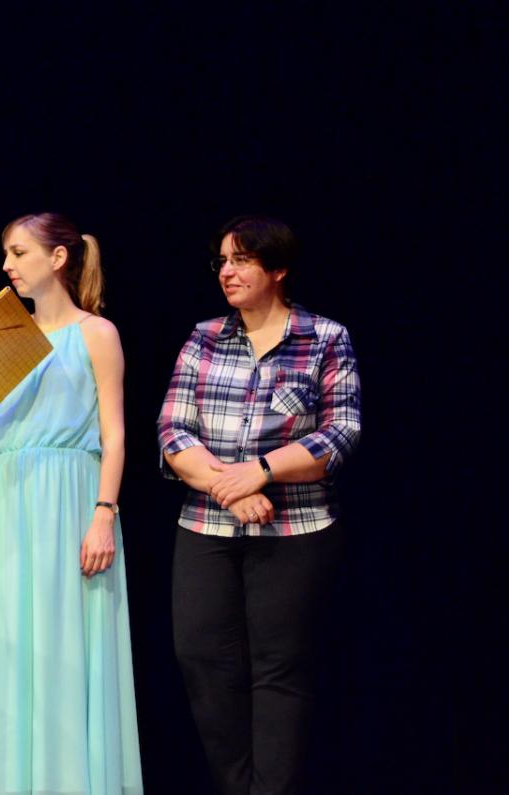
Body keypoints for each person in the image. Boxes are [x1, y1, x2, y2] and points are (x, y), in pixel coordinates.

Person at [157, 215, 361, 794]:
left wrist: (262, 472)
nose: (227, 271)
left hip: (297, 529)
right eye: (222, 261)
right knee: (202, 660)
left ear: (278, 269)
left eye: (241, 260)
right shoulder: (203, 337)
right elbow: (173, 430)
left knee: (279, 670)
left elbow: (340, 432)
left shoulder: (325, 338)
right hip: (207, 525)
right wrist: (232, 488)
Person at [0, 212, 143, 795]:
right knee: (15, 648)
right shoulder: (6, 336)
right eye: (6, 254)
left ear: (58, 258)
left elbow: (115, 434)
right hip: (12, 502)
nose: (7, 265)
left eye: (19, 253)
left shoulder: (95, 333)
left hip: (70, 501)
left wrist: (103, 514)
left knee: (67, 647)